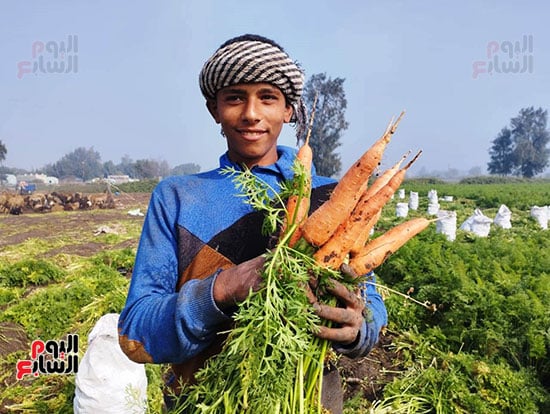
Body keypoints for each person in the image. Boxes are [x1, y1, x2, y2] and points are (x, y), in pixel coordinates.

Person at [118, 33, 387, 413]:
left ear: (288, 109)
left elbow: (371, 304)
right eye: (234, 97)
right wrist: (224, 288)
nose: (251, 113)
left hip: (310, 401)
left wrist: (360, 326)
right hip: (203, 401)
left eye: (268, 97)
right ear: (214, 109)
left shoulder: (334, 197)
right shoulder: (177, 196)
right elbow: (136, 332)